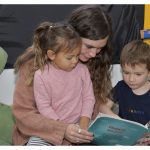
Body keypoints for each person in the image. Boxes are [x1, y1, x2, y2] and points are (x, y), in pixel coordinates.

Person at [12, 5, 116, 146]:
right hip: (40, 135)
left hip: (80, 133)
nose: (94, 54)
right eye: (89, 46)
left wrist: (125, 129)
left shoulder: (92, 64)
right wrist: (63, 129)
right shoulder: (35, 63)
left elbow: (94, 103)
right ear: (72, 35)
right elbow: (24, 114)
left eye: (100, 49)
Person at [27, 21, 95, 145]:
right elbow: (44, 107)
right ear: (52, 55)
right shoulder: (41, 75)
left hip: (80, 123)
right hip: (53, 125)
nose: (75, 60)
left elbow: (88, 98)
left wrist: (83, 126)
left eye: (77, 55)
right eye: (70, 57)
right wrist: (63, 129)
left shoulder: (82, 70)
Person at [102, 40, 150, 145]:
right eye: (126, 72)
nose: (131, 79)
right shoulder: (121, 86)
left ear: (149, 72)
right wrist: (118, 121)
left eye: (138, 74)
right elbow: (102, 106)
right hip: (123, 139)